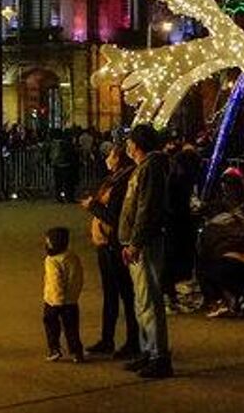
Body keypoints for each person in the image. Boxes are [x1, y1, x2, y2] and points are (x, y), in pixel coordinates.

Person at [117, 124, 173, 379]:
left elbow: (146, 208)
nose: (127, 146)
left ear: (137, 144)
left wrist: (135, 242)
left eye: (130, 142)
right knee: (142, 300)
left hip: (146, 243)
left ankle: (159, 355)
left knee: (149, 299)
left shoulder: (150, 168)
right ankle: (148, 350)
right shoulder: (144, 168)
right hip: (138, 241)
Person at [80, 143, 138, 358]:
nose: (107, 159)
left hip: (115, 245)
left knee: (126, 294)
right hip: (104, 244)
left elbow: (114, 217)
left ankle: (133, 341)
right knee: (110, 294)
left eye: (111, 155)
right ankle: (107, 339)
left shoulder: (123, 182)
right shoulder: (115, 179)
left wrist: (93, 207)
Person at [41, 226, 86, 363]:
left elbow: (55, 282)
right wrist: (74, 295)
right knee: (72, 327)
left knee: (51, 324)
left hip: (54, 301)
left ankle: (54, 349)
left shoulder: (52, 261)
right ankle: (76, 352)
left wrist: (57, 301)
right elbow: (78, 278)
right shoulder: (72, 257)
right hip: (71, 301)